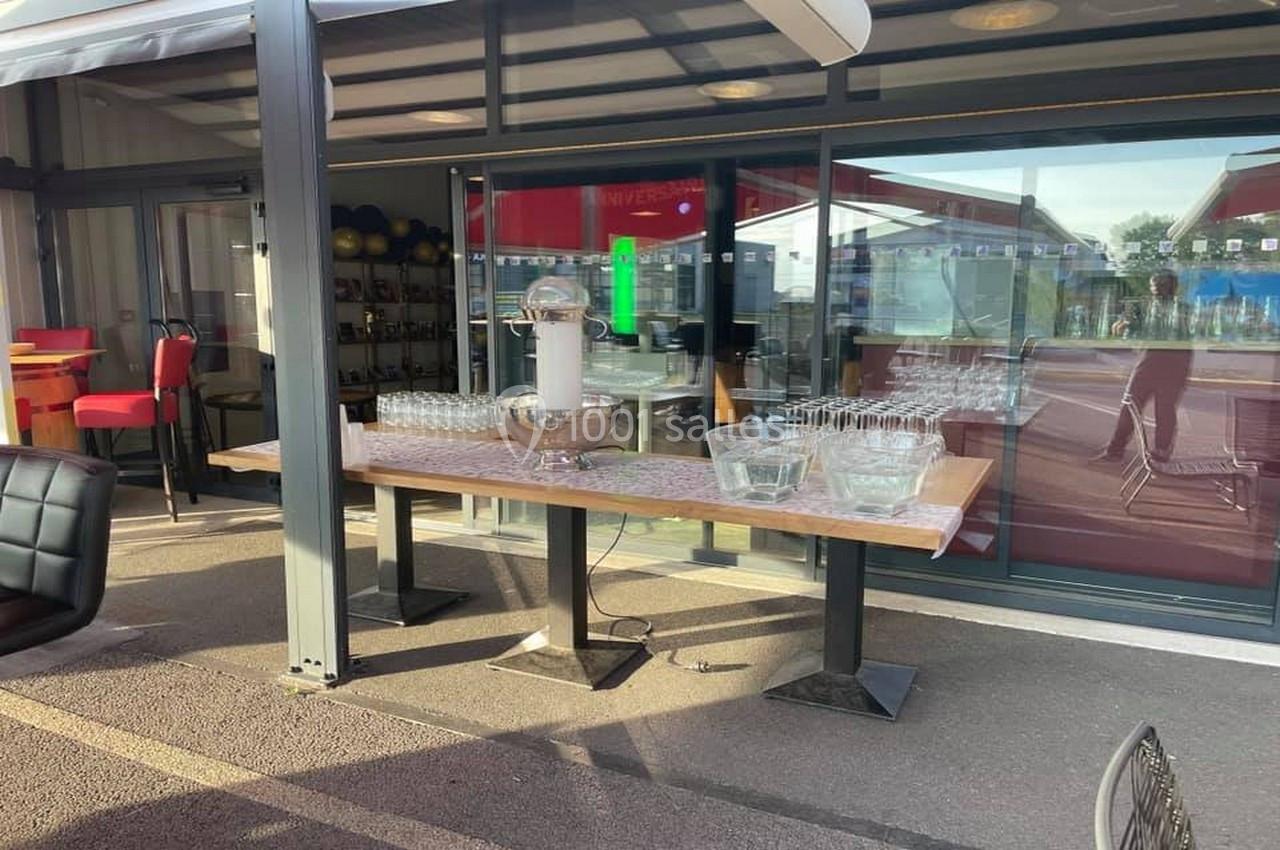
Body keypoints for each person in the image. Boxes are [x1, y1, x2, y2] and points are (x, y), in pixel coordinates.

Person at [1091, 270, 1193, 463]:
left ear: (1173, 287)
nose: (1157, 288)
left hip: (1170, 364)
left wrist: (1128, 330)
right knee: (1133, 404)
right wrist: (1124, 328)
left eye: (1161, 284)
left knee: (1162, 410)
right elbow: (1132, 333)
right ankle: (1117, 449)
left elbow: (1184, 339)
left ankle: (1158, 452)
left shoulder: (1180, 309)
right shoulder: (1146, 307)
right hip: (1155, 362)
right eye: (1155, 284)